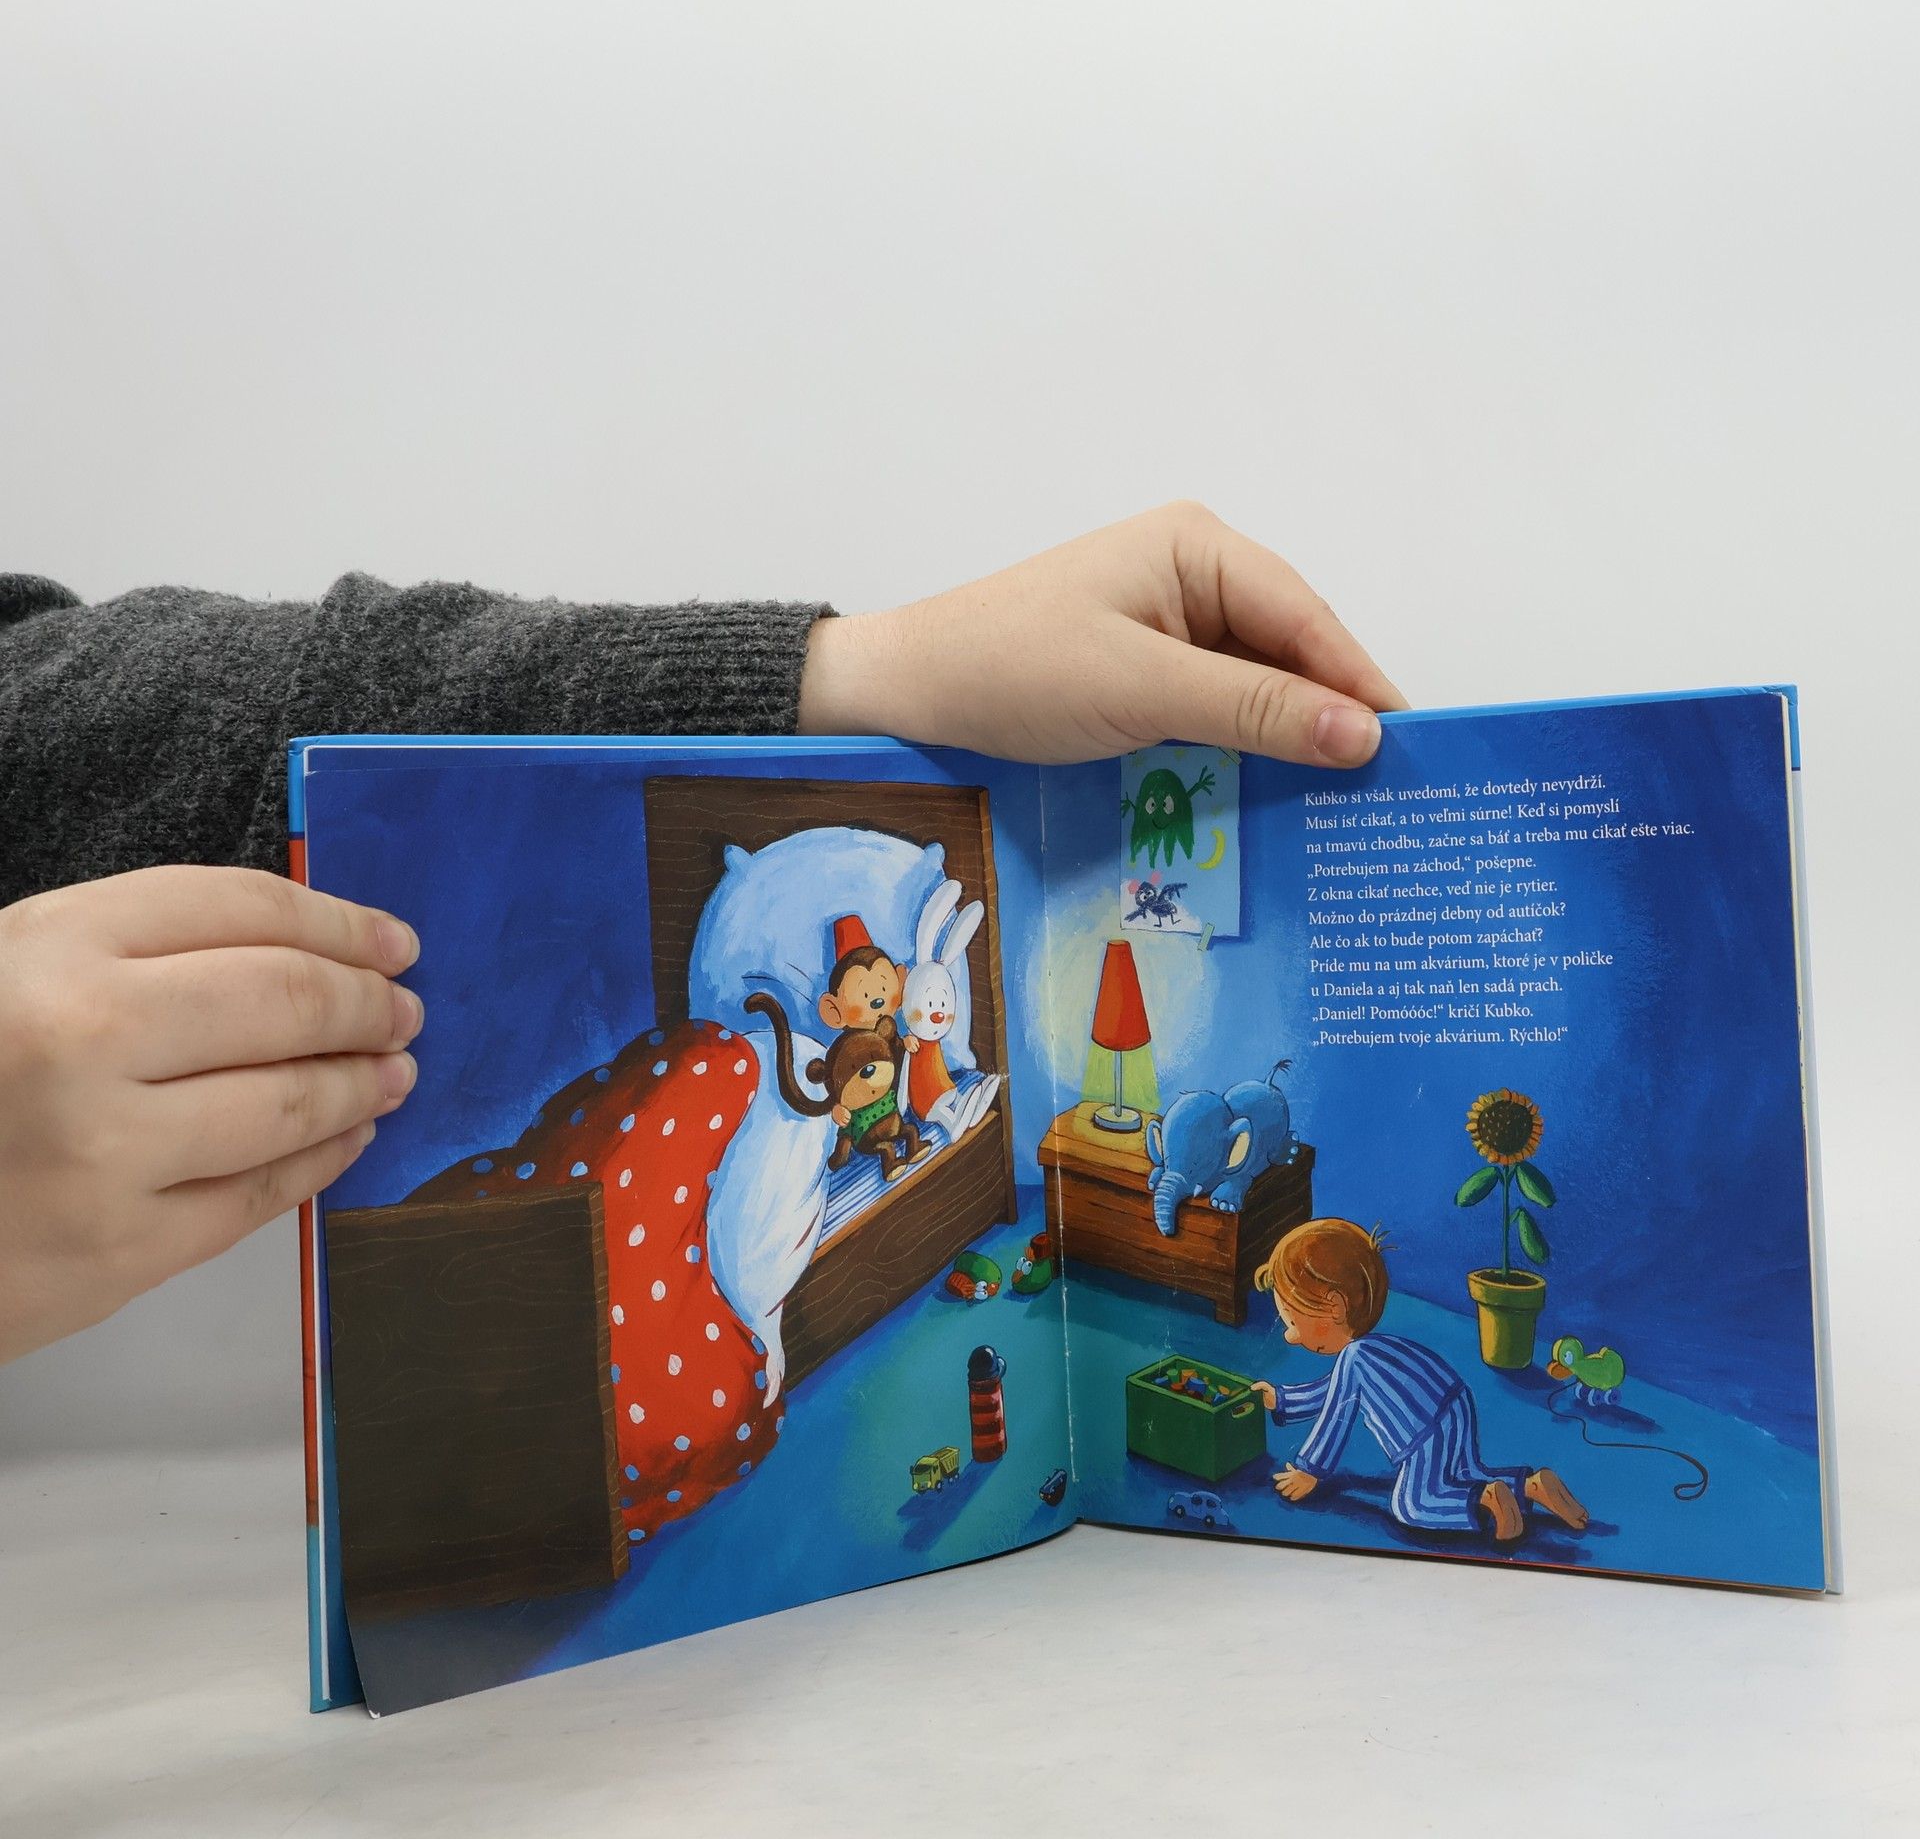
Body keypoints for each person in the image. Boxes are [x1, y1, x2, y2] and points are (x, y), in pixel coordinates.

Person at [0, 502, 1403, 1365]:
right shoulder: (809, 1032)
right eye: (876, 992)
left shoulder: (895, 1020)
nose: (891, 1002)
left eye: (894, 990)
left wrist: (853, 670)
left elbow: (57, 707)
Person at [1249, 1217, 1589, 1544]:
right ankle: (1530, 1486)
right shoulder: (1371, 1351)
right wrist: (1281, 1399)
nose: (1290, 1336)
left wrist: (1310, 1470)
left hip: (1422, 1434)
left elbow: (1336, 1415)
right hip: (1456, 1404)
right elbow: (1337, 1391)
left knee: (1413, 1504)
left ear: (1334, 1307)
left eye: (1292, 1320)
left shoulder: (1355, 1356)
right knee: (1463, 1472)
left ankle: (1486, 1500)